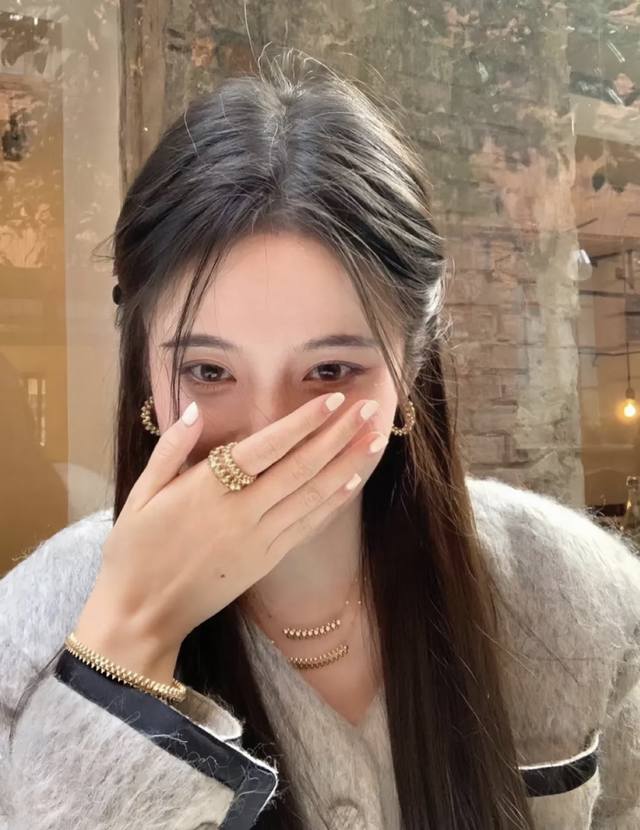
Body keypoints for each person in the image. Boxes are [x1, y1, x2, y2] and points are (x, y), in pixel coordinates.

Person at [1, 49, 639, 830]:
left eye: (330, 370)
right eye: (208, 370)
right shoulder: (26, 638)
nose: (271, 433)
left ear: (409, 369)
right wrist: (125, 650)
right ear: (145, 375)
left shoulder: (581, 600)